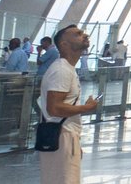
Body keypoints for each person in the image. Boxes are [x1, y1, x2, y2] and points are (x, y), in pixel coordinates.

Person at [36, 24, 98, 184]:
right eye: (78, 34)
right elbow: (54, 108)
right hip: (61, 137)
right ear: (63, 44)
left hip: (66, 136)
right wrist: (87, 108)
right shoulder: (61, 70)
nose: (84, 35)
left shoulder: (68, 69)